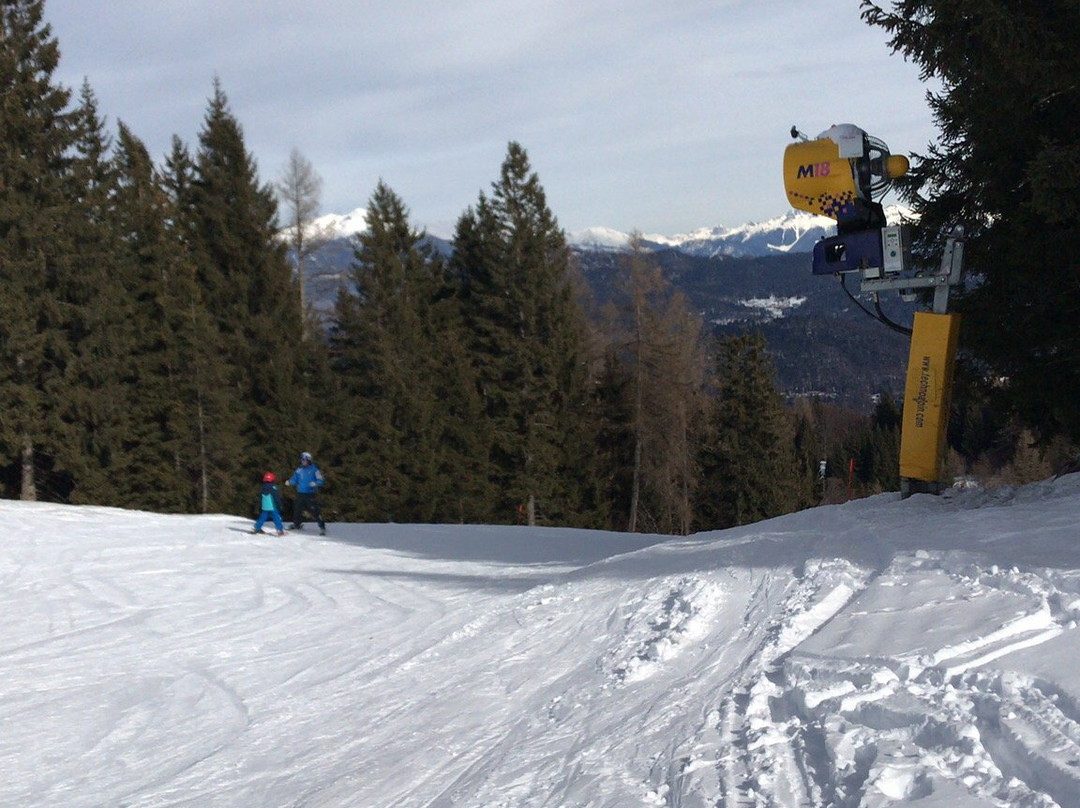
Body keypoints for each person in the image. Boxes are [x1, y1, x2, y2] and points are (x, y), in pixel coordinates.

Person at [286, 451, 326, 535]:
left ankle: (322, 526)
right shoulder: (299, 470)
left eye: (304, 460)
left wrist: (315, 483)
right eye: (302, 459)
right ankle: (297, 524)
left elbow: (320, 480)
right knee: (297, 509)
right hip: (300, 493)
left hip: (310, 494)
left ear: (309, 460)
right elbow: (294, 479)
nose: (303, 461)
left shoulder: (314, 470)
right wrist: (290, 482)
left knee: (315, 510)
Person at [253, 472, 286, 536]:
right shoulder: (273, 487)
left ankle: (257, 527)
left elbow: (260, 496)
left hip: (265, 505)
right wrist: (280, 504)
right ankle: (280, 530)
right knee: (276, 517)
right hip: (272, 506)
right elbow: (276, 497)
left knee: (262, 517)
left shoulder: (262, 487)